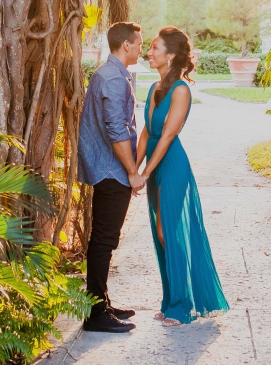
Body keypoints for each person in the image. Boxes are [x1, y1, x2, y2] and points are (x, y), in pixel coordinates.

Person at [137, 27, 229, 324]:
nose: (148, 53)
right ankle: (170, 302)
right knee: (159, 230)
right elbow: (146, 133)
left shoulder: (181, 90)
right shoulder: (154, 88)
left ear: (171, 55)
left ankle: (182, 305)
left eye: (154, 48)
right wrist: (132, 172)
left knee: (168, 231)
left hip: (172, 165)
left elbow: (166, 136)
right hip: (154, 165)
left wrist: (146, 171)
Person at [76, 21, 147, 333]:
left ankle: (101, 302)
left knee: (104, 239)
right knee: (104, 240)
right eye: (140, 44)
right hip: (111, 170)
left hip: (109, 168)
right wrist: (132, 172)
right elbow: (117, 130)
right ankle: (95, 314)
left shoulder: (113, 74)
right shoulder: (113, 78)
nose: (142, 49)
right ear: (126, 45)